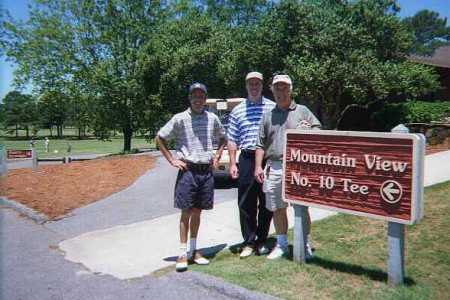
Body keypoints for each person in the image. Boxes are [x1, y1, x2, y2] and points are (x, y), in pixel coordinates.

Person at [155, 82, 227, 272]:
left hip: (205, 171)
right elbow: (160, 137)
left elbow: (223, 137)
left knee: (197, 212)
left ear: (205, 98)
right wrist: (172, 159)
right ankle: (182, 253)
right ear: (190, 98)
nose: (198, 99)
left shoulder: (212, 118)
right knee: (185, 212)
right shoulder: (179, 119)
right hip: (188, 170)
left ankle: (194, 251)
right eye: (194, 96)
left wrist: (218, 155)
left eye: (201, 96)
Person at [255, 74, 321, 260]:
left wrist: (308, 130)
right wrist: (258, 167)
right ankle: (282, 244)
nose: (280, 91)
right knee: (277, 207)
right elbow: (260, 144)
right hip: (274, 166)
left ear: (290, 90)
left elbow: (318, 130)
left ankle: (304, 243)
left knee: (301, 208)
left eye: (284, 88)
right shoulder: (268, 116)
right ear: (272, 91)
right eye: (277, 88)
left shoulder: (303, 111)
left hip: (299, 166)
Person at [227, 71, 275, 258]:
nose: (254, 87)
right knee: (245, 202)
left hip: (267, 159)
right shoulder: (238, 110)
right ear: (246, 86)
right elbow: (232, 138)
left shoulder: (272, 107)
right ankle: (248, 242)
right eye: (250, 84)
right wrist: (232, 163)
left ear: (262, 86)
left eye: (257, 84)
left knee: (266, 201)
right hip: (246, 158)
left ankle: (262, 240)